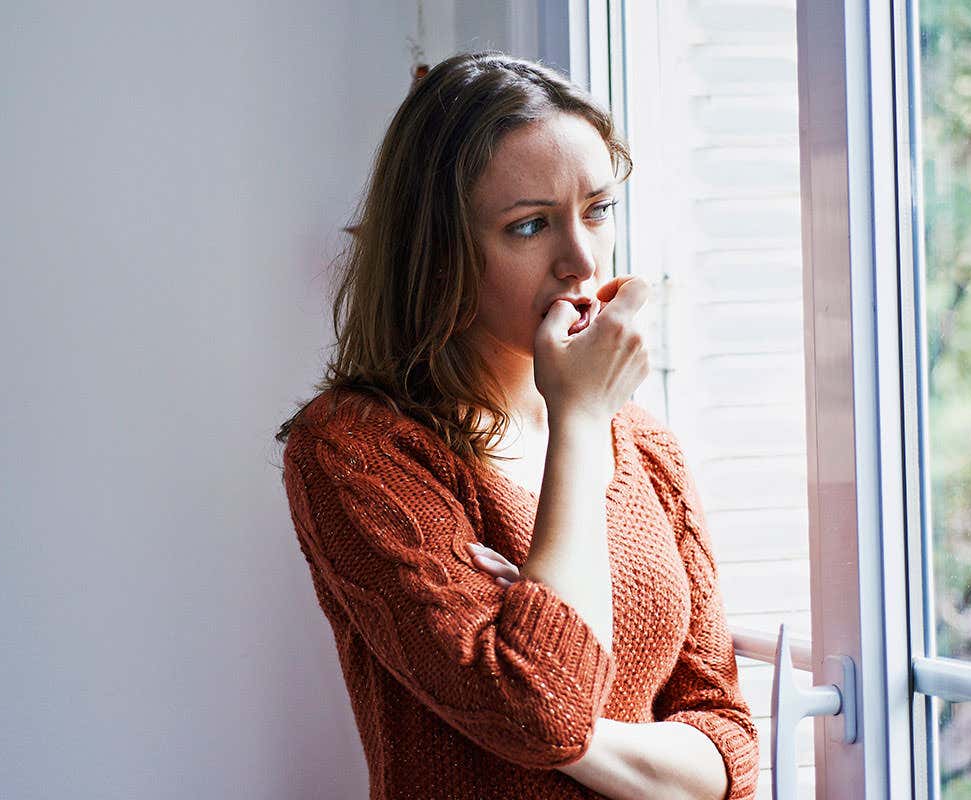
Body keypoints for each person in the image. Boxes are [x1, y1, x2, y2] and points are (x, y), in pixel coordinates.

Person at [276, 51, 759, 800]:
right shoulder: (355, 452)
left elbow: (727, 748)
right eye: (530, 225)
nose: (580, 260)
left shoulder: (651, 452)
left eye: (598, 210)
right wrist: (581, 416)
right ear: (438, 250)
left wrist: (551, 709)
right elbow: (547, 709)